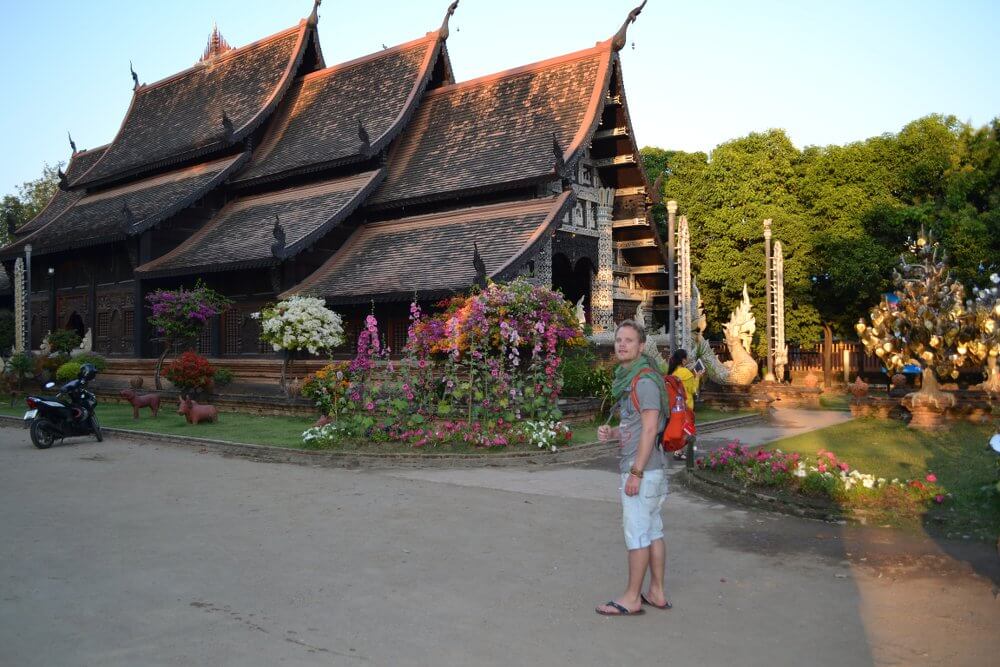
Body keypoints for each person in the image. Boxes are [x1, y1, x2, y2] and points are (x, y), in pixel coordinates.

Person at [595, 320, 671, 616]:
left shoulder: (645, 381)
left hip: (644, 471)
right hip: (648, 470)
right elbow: (637, 426)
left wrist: (636, 472)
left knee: (637, 534)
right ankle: (657, 592)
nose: (622, 344)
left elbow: (651, 429)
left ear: (641, 346)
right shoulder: (633, 379)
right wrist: (613, 434)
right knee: (652, 531)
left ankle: (631, 598)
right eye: (618, 340)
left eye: (629, 340)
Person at [668, 349, 701, 461]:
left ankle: (678, 452)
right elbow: (693, 390)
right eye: (686, 358)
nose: (687, 360)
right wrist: (698, 377)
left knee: (681, 430)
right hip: (687, 407)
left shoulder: (672, 373)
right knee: (688, 431)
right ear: (683, 360)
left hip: (676, 407)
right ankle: (681, 452)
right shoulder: (686, 373)